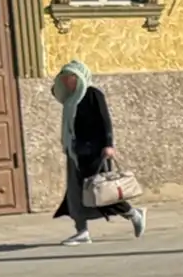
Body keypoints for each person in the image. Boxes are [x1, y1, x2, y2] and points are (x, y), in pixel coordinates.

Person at [51, 60, 145, 245]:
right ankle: (82, 231)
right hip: (75, 152)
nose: (67, 82)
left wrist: (109, 144)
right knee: (75, 193)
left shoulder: (93, 94)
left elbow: (105, 121)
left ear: (79, 77)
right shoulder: (70, 100)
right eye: (65, 79)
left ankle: (133, 213)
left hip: (95, 151)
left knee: (101, 191)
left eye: (70, 78)